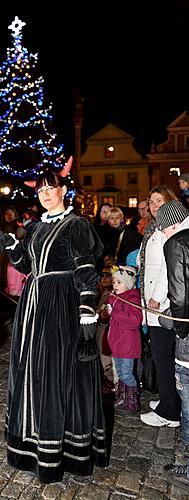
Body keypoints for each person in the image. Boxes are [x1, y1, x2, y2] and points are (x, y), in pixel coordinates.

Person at [0, 167, 108, 483]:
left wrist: (87, 310)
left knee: (55, 373)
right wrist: (9, 242)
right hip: (32, 308)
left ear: (63, 191)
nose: (45, 194)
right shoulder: (36, 228)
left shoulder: (76, 225)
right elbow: (26, 265)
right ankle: (30, 442)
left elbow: (86, 269)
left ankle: (58, 451)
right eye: (40, 191)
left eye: (50, 189)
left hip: (60, 306)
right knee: (31, 372)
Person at [139, 185, 181, 427]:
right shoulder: (155, 227)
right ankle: (170, 400)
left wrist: (157, 296)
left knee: (163, 356)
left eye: (159, 200)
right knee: (162, 355)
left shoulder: (168, 226)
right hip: (154, 301)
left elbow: (170, 265)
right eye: (151, 202)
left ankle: (169, 412)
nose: (155, 205)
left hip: (161, 304)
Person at [155, 200, 189, 490]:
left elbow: (179, 298)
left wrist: (176, 325)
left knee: (188, 404)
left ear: (171, 225)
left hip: (188, 344)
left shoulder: (176, 243)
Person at [105, 266, 142, 413]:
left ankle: (132, 399)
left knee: (127, 373)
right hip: (116, 343)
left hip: (127, 344)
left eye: (119, 282)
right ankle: (123, 396)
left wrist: (114, 313)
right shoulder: (115, 298)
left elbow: (135, 320)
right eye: (114, 282)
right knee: (120, 372)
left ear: (128, 283)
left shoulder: (133, 298)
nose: (115, 285)